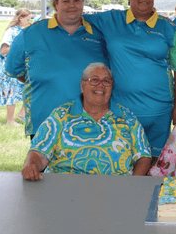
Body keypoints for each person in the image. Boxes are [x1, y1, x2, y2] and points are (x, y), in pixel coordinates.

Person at [84, 0, 176, 158]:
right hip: (121, 110)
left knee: (156, 163)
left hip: (159, 110)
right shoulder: (111, 19)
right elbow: (75, 17)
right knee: (123, 160)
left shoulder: (168, 27)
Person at [6, 0, 108, 137]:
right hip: (45, 124)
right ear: (55, 4)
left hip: (89, 125)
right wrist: (44, 79)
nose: (72, 6)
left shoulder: (99, 35)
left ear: (82, 3)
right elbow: (14, 70)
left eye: (76, 1)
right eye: (66, 1)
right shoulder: (31, 33)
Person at [21, 63, 151, 180]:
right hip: (65, 190)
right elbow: (38, 152)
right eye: (94, 80)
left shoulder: (127, 118)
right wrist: (31, 165)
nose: (100, 85)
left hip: (117, 190)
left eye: (106, 81)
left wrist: (133, 184)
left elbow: (143, 155)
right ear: (82, 86)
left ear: (112, 88)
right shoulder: (61, 115)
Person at [0, 8, 30, 125]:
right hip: (9, 67)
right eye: (27, 19)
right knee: (12, 92)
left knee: (29, 88)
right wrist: (19, 49)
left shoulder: (25, 31)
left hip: (21, 66)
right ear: (20, 18)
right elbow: (3, 50)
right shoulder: (11, 32)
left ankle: (22, 114)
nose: (29, 22)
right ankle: (10, 120)